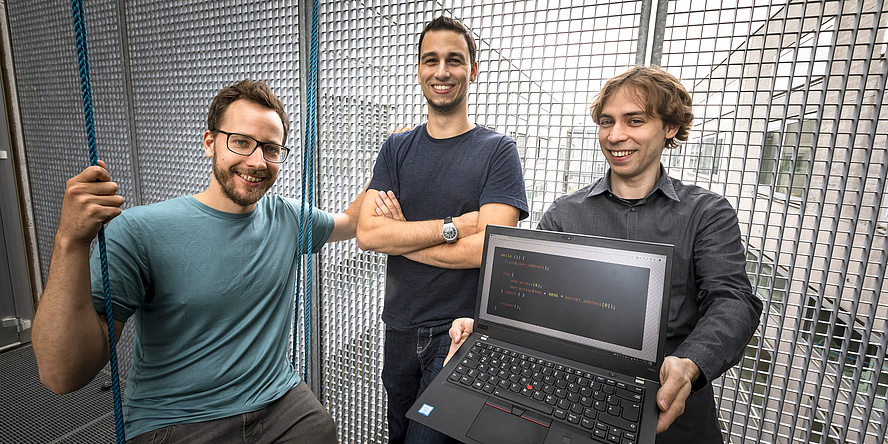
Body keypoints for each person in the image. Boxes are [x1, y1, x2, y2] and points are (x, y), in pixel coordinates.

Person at [32, 79, 364, 443]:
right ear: (210, 143)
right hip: (178, 417)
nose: (257, 161)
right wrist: (69, 242)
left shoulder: (287, 217)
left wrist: (395, 155)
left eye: (271, 148)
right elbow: (62, 374)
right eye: (241, 142)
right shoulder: (139, 231)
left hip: (278, 400)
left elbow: (350, 221)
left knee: (323, 431)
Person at [444, 66, 762, 443]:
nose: (615, 135)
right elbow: (530, 304)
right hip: (568, 399)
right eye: (607, 122)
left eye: (635, 120)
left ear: (671, 127)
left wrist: (690, 364)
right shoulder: (565, 212)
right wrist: (482, 329)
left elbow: (733, 299)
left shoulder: (706, 212)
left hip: (669, 408)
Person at [355, 16, 529, 444]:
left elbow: (492, 248)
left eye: (455, 60)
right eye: (430, 60)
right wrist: (458, 225)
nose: (442, 71)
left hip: (460, 332)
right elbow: (369, 235)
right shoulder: (397, 147)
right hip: (399, 328)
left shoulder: (498, 151)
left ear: (473, 70)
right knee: (399, 435)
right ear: (418, 68)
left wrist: (406, 239)